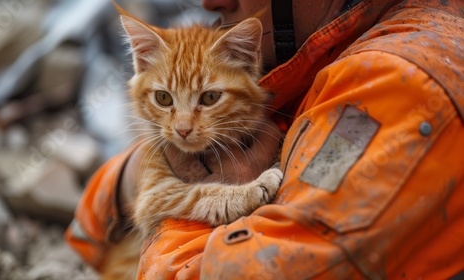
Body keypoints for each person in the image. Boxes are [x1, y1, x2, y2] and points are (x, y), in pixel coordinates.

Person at [65, 0, 464, 278]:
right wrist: (133, 176)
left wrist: (209, 199)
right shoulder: (316, 56)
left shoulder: (392, 89)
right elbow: (88, 236)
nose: (210, 3)